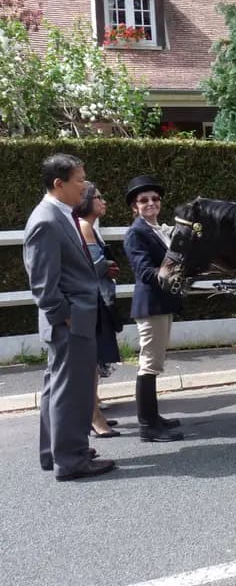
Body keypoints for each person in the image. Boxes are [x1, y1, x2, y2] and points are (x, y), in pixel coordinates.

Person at [22, 153, 117, 481]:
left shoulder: (60, 214)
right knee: (70, 390)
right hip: (70, 322)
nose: (85, 186)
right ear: (58, 183)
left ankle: (57, 453)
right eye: (79, 180)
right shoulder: (47, 220)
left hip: (72, 319)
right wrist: (66, 318)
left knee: (57, 388)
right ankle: (72, 460)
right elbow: (43, 284)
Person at [123, 175, 184, 443]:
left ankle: (154, 417)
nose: (150, 203)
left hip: (162, 303)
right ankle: (148, 425)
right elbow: (143, 270)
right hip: (150, 304)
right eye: (143, 200)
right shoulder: (136, 232)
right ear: (134, 206)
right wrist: (172, 274)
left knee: (156, 363)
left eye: (155, 199)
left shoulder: (157, 229)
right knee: (149, 364)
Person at [74, 182, 122, 438]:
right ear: (87, 201)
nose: (104, 201)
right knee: (91, 363)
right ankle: (93, 417)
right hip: (93, 302)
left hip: (97, 300)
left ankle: (96, 412)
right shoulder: (83, 226)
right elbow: (91, 267)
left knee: (94, 362)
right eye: (99, 197)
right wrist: (107, 265)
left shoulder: (89, 227)